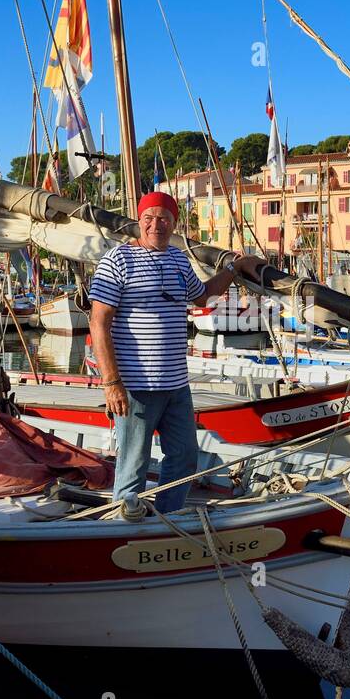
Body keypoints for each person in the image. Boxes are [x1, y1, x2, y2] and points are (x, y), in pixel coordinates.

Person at [89, 191, 265, 513]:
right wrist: (111, 383)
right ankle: (122, 525)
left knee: (184, 456)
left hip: (175, 385)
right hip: (135, 386)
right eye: (149, 218)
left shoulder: (177, 259)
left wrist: (235, 269)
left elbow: (203, 296)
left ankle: (166, 518)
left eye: (164, 219)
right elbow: (98, 323)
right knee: (134, 465)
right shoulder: (116, 261)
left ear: (174, 223)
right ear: (139, 221)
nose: (156, 224)